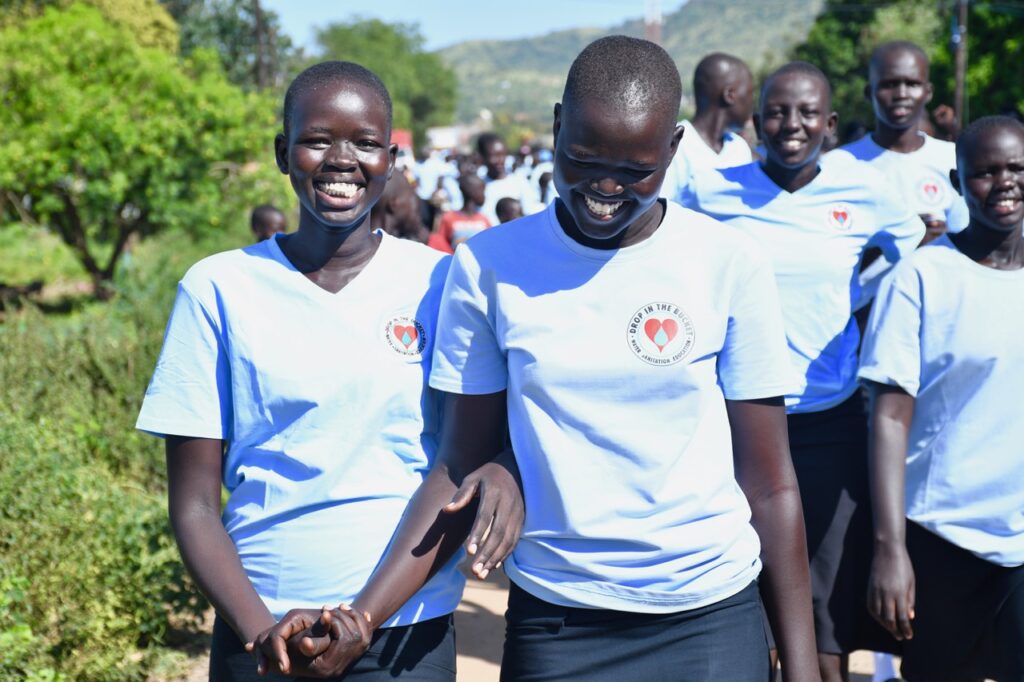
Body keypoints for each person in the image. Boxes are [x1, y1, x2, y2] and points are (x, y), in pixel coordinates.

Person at [258, 35, 820, 682]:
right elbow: (461, 461)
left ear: (673, 148)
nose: (606, 188)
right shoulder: (489, 267)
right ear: (557, 125)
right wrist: (362, 619)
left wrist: (800, 665)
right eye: (581, 160)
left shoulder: (728, 263)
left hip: (709, 619)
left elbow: (771, 485)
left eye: (637, 170)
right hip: (558, 622)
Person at [136, 61, 521, 681]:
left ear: (391, 161)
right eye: (318, 140)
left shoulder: (443, 284)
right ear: (285, 153)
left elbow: (458, 464)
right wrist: (262, 630)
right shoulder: (219, 288)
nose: (342, 160)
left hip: (403, 634)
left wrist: (365, 618)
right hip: (259, 633)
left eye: (366, 143)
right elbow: (195, 507)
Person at [680, 62, 924, 682]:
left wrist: (854, 296)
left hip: (829, 424)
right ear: (757, 122)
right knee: (744, 589)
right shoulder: (711, 194)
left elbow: (912, 242)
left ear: (831, 125)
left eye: (808, 113)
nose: (793, 125)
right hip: (735, 424)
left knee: (823, 607)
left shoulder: (862, 195)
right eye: (779, 113)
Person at [859, 115, 1024, 682]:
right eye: (983, 172)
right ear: (957, 183)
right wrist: (890, 549)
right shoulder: (922, 279)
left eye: (1016, 168)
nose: (1004, 183)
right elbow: (889, 419)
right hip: (942, 538)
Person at [828, 41, 968, 243]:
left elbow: (972, 239)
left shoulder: (954, 158)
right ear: (869, 92)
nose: (901, 94)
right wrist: (908, 236)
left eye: (912, 84)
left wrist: (944, 240)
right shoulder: (838, 165)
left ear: (928, 92)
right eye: (889, 85)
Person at [660, 52, 755, 203]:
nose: (753, 102)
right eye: (750, 93)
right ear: (730, 95)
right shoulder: (675, 146)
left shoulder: (739, 147)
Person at [477, 132, 536, 224]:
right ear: (482, 157)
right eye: (494, 156)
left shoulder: (519, 182)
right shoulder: (478, 185)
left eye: (503, 155)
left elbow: (530, 213)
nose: (500, 160)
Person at [432, 174, 491, 253]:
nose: (484, 195)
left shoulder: (484, 219)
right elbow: (439, 244)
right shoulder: (449, 218)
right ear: (471, 191)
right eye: (482, 190)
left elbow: (490, 245)